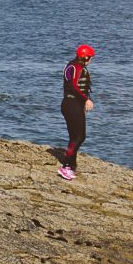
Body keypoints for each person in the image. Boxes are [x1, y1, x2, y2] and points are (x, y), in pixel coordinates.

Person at [58, 44, 95, 180]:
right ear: (85, 57)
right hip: (71, 104)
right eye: (90, 58)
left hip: (72, 104)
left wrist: (84, 100)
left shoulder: (73, 66)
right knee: (79, 137)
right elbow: (72, 86)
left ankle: (71, 165)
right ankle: (66, 167)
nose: (91, 60)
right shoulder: (75, 67)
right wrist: (86, 99)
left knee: (75, 137)